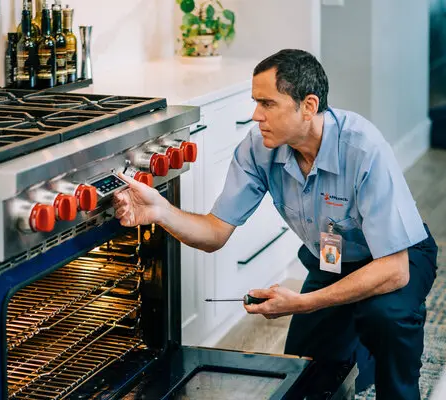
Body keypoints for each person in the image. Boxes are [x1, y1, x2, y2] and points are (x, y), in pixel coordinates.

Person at [112, 49, 438, 399]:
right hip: (333, 261)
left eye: (267, 104)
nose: (256, 116)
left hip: (394, 256)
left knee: (386, 318)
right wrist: (160, 211)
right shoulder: (257, 149)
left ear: (308, 106)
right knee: (305, 369)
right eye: (256, 103)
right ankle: (363, 351)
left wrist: (304, 302)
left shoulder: (363, 148)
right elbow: (214, 233)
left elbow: (395, 270)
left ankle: (391, 368)